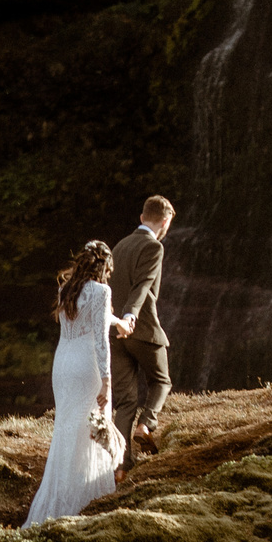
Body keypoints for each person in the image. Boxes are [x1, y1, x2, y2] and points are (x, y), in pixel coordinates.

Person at [26, 240, 132, 525]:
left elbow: (89, 318)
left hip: (62, 365)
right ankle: (85, 499)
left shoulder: (67, 289)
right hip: (87, 366)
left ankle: (60, 497)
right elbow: (100, 340)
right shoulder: (102, 291)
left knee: (67, 431)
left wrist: (117, 321)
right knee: (91, 431)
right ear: (105, 267)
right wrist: (107, 382)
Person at [111, 195, 176, 455]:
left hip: (115, 332)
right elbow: (142, 285)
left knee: (125, 402)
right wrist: (131, 315)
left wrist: (117, 321)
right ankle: (146, 425)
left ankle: (121, 466)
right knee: (161, 381)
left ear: (141, 218)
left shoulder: (120, 246)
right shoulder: (154, 247)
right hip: (140, 327)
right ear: (165, 220)